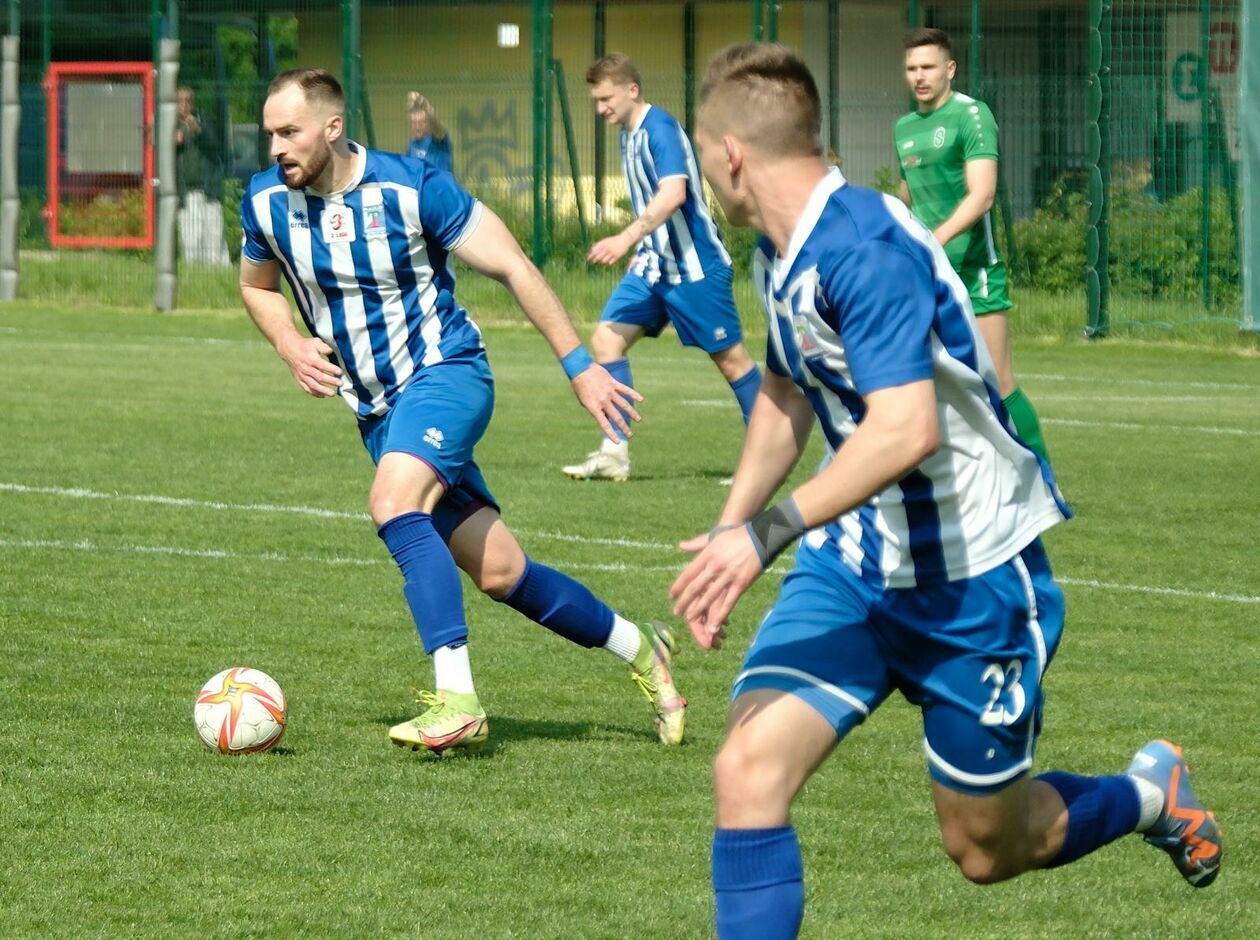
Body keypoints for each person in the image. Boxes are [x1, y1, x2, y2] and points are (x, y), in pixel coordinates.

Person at [671, 43, 1220, 938]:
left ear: (730, 153)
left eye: (703, 152)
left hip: (972, 578)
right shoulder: (781, 253)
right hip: (852, 567)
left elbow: (904, 429)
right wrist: (727, 537)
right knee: (746, 771)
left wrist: (763, 531)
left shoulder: (865, 249)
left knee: (986, 850)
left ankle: (1148, 795)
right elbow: (782, 396)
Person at [239, 68, 685, 754]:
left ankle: (457, 700)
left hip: (447, 373)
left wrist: (580, 367)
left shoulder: (411, 186)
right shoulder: (266, 200)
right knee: (503, 571)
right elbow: (256, 286)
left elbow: (513, 265)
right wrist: (289, 343)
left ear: (332, 127)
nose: (276, 147)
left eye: (289, 131)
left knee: (393, 502)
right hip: (377, 410)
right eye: (270, 132)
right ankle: (642, 650)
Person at [561, 52, 762, 483]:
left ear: (632, 90)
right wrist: (642, 246)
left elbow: (673, 194)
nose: (601, 109)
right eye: (596, 101)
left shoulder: (661, 129)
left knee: (732, 362)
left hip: (694, 269)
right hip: (654, 268)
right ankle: (614, 452)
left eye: (606, 99)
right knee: (605, 340)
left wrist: (624, 238)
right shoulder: (627, 134)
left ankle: (765, 458)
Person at [896, 29, 1049, 461]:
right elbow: (909, 196)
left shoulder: (972, 116)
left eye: (927, 67)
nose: (919, 76)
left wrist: (935, 240)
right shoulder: (904, 127)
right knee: (921, 380)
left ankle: (1040, 474)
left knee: (997, 381)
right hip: (927, 272)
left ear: (950, 69)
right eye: (911, 68)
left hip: (974, 270)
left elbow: (982, 195)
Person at [176, 86, 231, 268]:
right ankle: (194, 273)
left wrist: (197, 129)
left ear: (193, 103)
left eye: (188, 101)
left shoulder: (204, 121)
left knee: (214, 234)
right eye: (179, 101)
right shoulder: (171, 127)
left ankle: (218, 273)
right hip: (186, 192)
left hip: (208, 189)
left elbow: (215, 145)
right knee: (191, 236)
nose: (184, 105)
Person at [404, 91, 454, 174]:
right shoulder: (412, 144)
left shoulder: (439, 139)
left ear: (428, 124)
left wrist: (423, 103)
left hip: (440, 185)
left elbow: (436, 125)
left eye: (421, 122)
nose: (417, 127)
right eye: (414, 123)